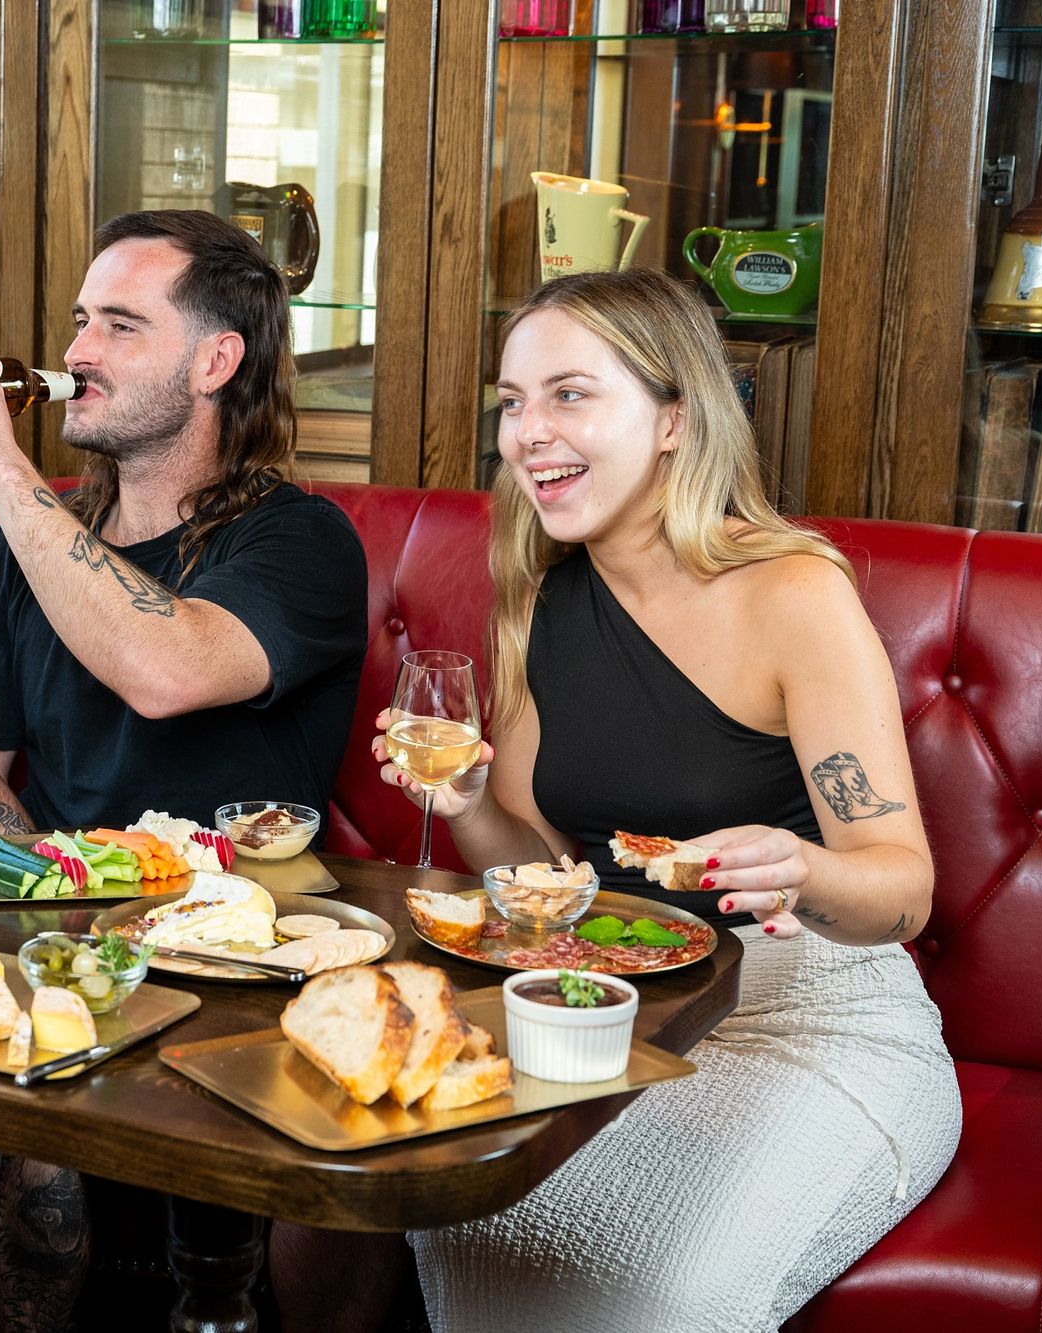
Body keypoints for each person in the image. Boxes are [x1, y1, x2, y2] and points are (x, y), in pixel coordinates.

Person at [368, 268, 960, 1332]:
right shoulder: (544, 598)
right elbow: (535, 873)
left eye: (567, 393)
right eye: (510, 402)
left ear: (674, 418)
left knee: (661, 1294)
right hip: (616, 1016)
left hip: (815, 1021)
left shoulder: (792, 594)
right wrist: (460, 796)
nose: (525, 432)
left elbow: (901, 890)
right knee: (462, 1213)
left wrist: (805, 870)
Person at [0, 209, 368, 1331]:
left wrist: (1, 468)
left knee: (345, 1166)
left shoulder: (298, 541)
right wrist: (55, 902)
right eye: (78, 322)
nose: (79, 350)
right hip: (59, 949)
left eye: (119, 324)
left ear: (214, 360)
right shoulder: (28, 550)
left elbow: (164, 665)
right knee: (27, 1153)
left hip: (252, 958)